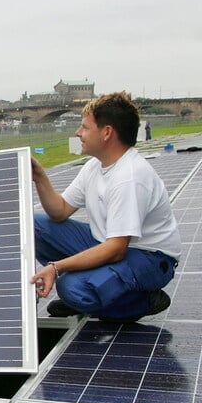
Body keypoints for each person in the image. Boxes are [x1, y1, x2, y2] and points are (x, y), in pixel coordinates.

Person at [29, 92, 181, 323]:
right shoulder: (94, 166)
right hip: (107, 243)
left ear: (107, 132)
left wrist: (55, 267)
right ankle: (99, 292)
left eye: (84, 127)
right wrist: (40, 177)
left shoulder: (129, 177)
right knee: (33, 226)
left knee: (71, 289)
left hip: (148, 258)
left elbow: (116, 249)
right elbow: (59, 211)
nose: (77, 133)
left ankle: (141, 301)